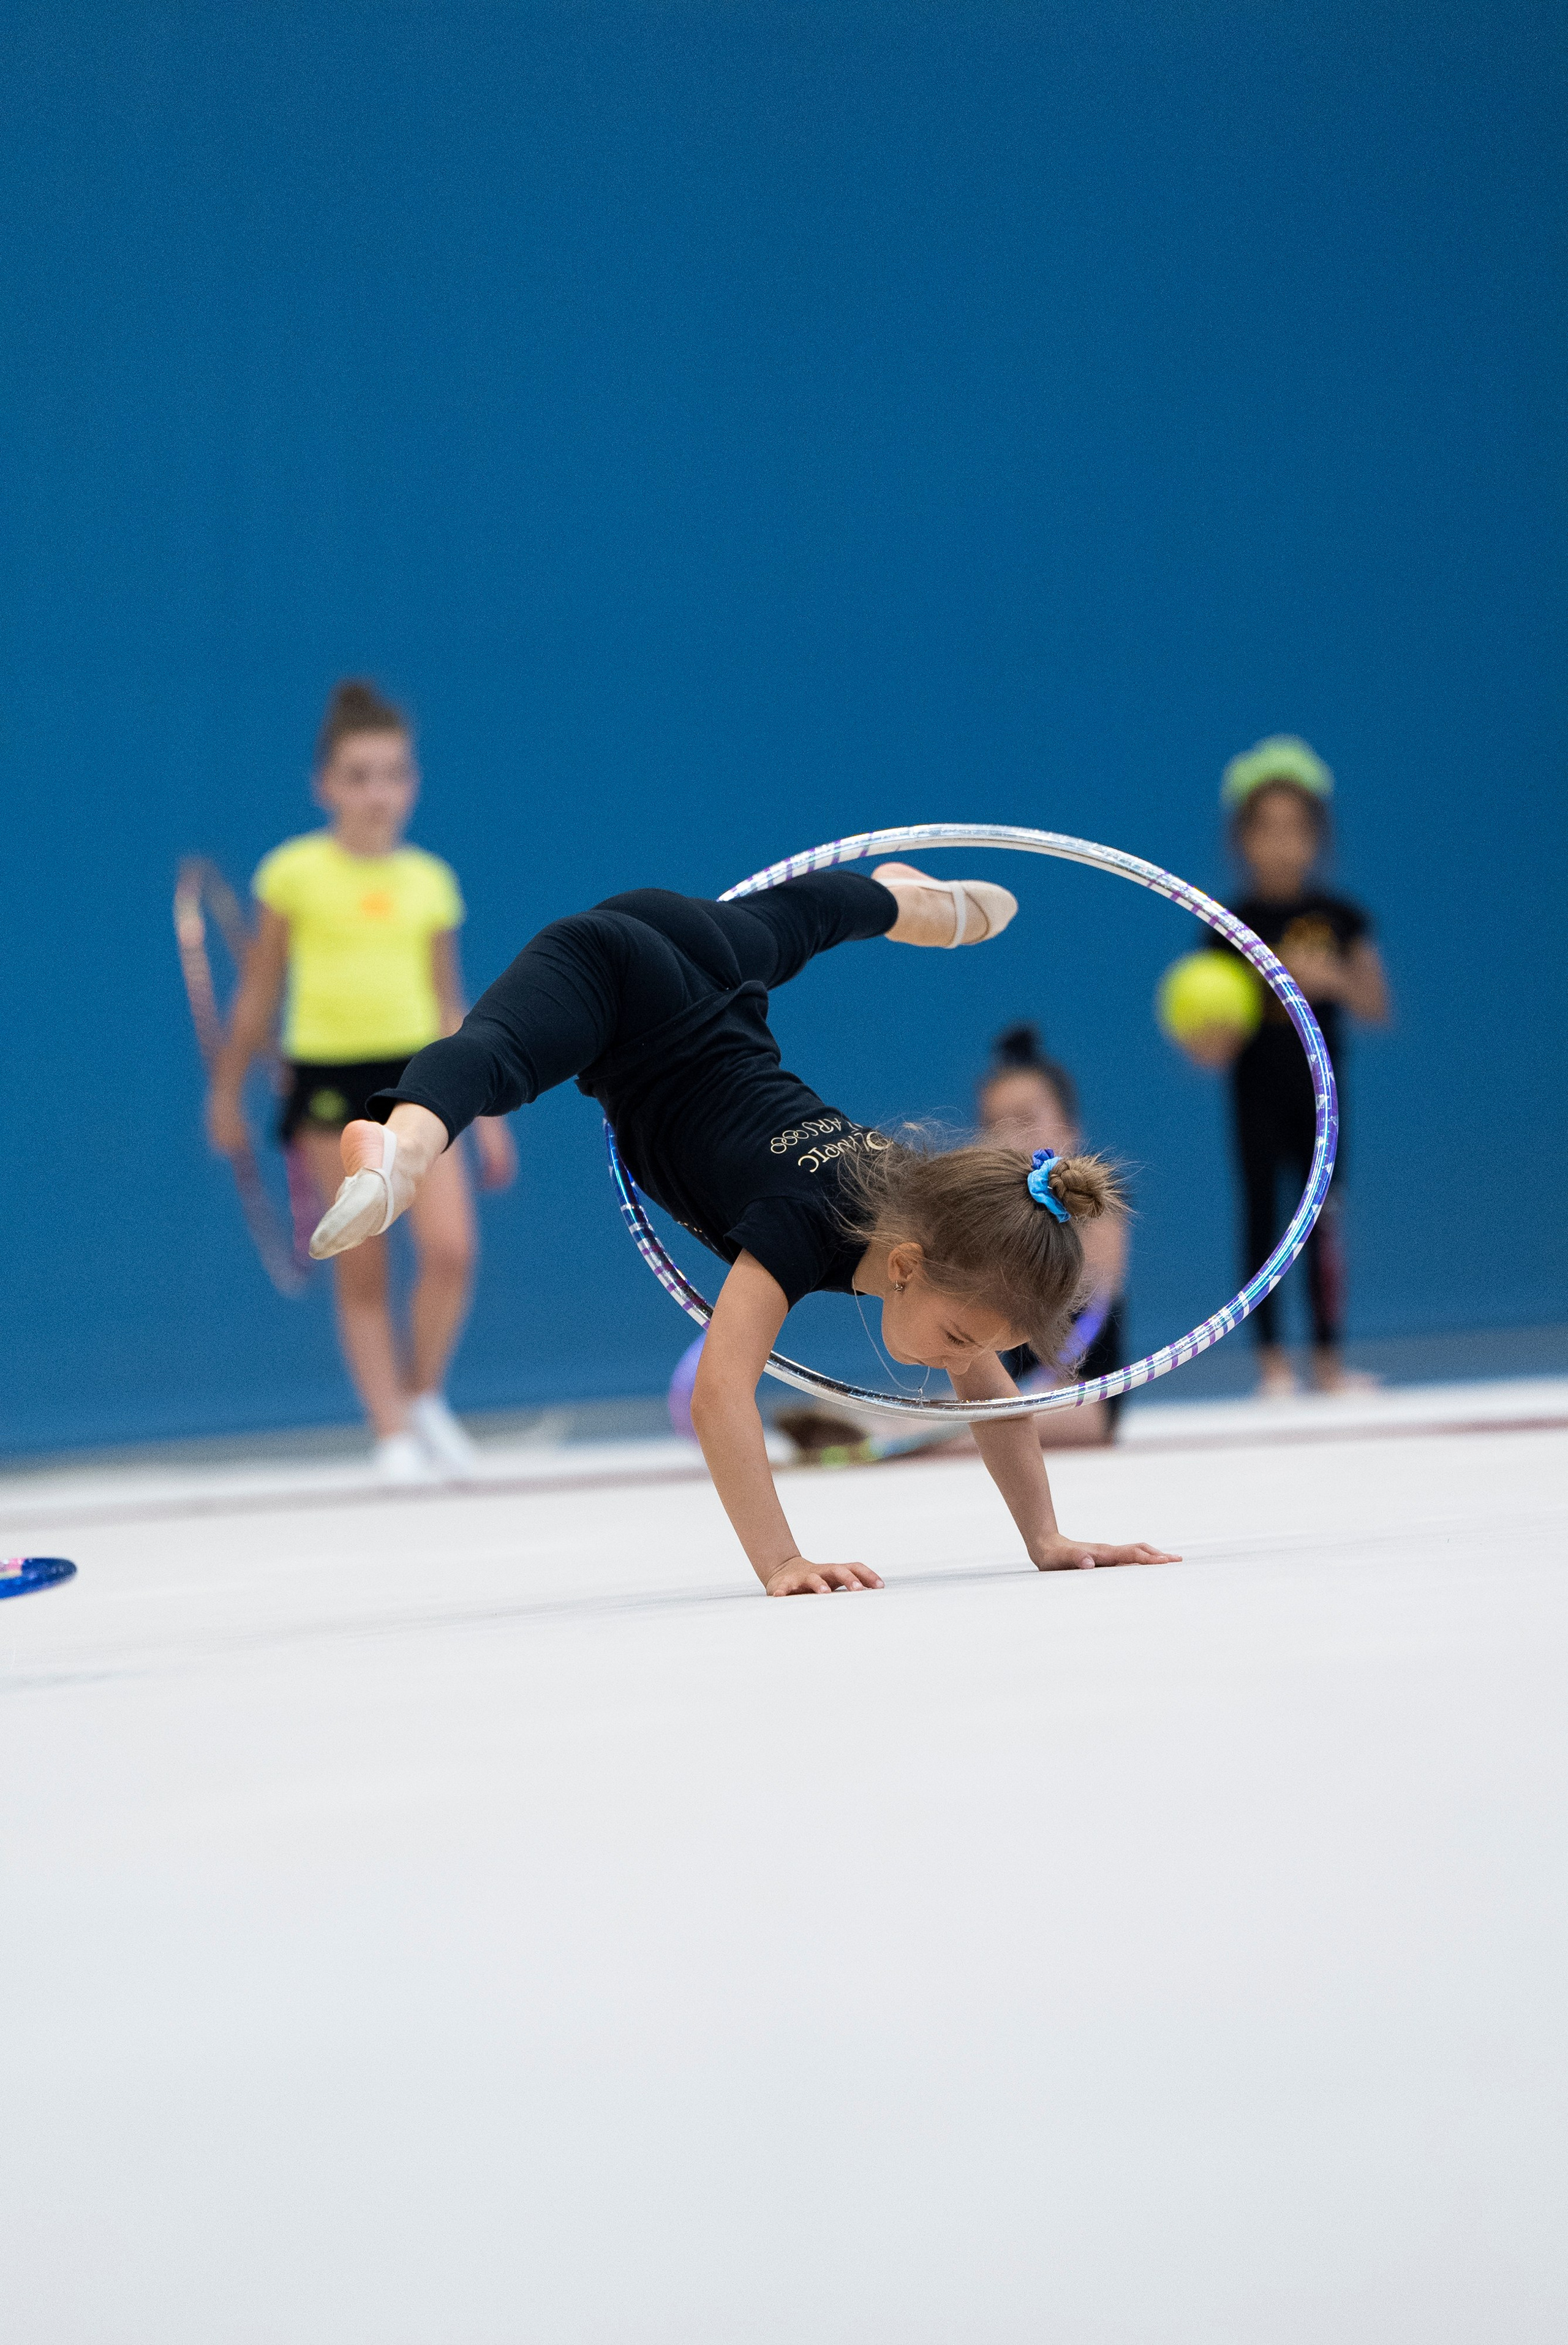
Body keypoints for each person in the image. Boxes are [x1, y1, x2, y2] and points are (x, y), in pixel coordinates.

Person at [309, 863, 1179, 1593]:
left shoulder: (944, 1222)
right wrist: (782, 1560)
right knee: (499, 1052)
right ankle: (406, 1146)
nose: (962, 1365)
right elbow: (719, 1392)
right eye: (958, 1339)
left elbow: (992, 1396)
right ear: (908, 1263)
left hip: (718, 971)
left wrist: (1047, 1539)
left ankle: (907, 900)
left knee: (811, 915)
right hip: (618, 982)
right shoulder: (804, 1228)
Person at [206, 679, 516, 1481]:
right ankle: (389, 1435)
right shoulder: (293, 875)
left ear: (413, 782)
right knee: (365, 1258)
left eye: (394, 773)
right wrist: (225, 1092)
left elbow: (452, 1001)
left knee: (449, 1252)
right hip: (330, 1087)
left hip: (424, 1080)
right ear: (326, 785)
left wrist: (489, 1113)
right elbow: (259, 994)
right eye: (359, 775)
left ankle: (422, 1399)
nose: (378, 792)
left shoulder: (431, 882)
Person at [1187, 737, 1390, 1397]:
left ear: (1319, 838)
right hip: (1254, 1094)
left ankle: (1328, 1361)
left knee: (1323, 1220)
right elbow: (1208, 1041)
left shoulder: (1340, 917)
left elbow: (1377, 1005)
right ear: (1239, 839)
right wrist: (1213, 1029)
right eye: (1264, 829)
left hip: (1322, 1094)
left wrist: (1332, 978)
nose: (1280, 844)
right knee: (1262, 1217)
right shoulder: (1226, 923)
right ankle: (1271, 1362)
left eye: (1296, 829)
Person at [976, 1024, 1128, 1446]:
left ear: (1069, 1128)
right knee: (957, 1418)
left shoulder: (1097, 1210)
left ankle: (903, 1436)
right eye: (994, 1126)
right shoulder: (987, 1223)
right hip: (1015, 1394)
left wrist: (1026, 1393)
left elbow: (1093, 1318)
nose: (1010, 1138)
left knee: (977, 1429)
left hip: (1083, 1397)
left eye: (1026, 1120)